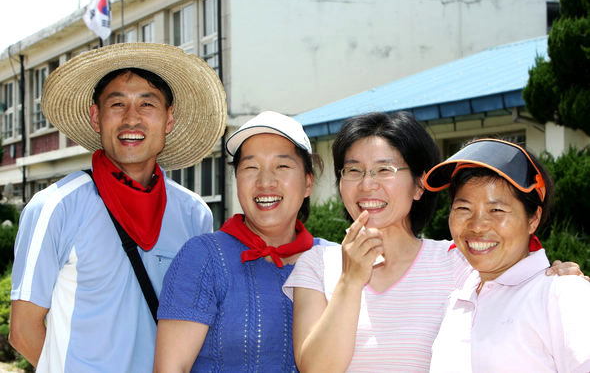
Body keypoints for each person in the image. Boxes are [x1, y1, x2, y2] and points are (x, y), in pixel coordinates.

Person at [283, 112, 585, 372]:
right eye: (353, 170)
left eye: (384, 169)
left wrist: (558, 279)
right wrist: (350, 281)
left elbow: (516, 279)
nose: (367, 184)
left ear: (419, 185)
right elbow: (317, 368)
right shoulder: (317, 263)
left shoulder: (461, 264)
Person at [9, 43, 227, 372]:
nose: (131, 118)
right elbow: (23, 330)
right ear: (96, 117)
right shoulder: (56, 206)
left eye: (147, 104)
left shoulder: (194, 215)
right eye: (117, 104)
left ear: (169, 119)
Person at [153, 111, 335, 372]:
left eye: (282, 166)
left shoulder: (333, 260)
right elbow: (171, 368)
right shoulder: (203, 257)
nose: (265, 181)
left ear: (308, 183)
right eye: (251, 167)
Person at [424, 138, 590, 372]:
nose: (478, 226)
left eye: (497, 210)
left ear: (533, 218)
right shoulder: (458, 301)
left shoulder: (562, 296)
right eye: (463, 208)